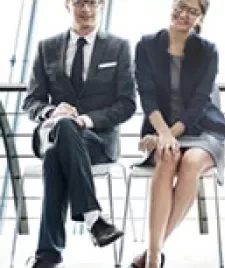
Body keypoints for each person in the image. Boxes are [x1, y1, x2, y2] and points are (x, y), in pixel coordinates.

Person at [22, 0, 134, 267]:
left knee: (54, 155)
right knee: (61, 130)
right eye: (79, 2)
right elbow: (31, 102)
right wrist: (52, 112)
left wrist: (85, 120)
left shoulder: (118, 47)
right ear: (67, 5)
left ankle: (48, 255)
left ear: (103, 5)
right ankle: (94, 219)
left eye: (93, 2)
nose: (86, 9)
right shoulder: (46, 47)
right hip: (54, 131)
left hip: (97, 140)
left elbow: (127, 104)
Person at [129, 0, 225, 267]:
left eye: (193, 11)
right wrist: (163, 133)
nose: (184, 14)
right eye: (180, 6)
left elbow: (199, 102)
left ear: (200, 18)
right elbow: (147, 96)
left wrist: (169, 134)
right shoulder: (147, 45)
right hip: (161, 127)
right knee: (167, 157)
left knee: (191, 161)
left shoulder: (208, 50)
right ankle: (153, 257)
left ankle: (152, 253)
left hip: (203, 129)